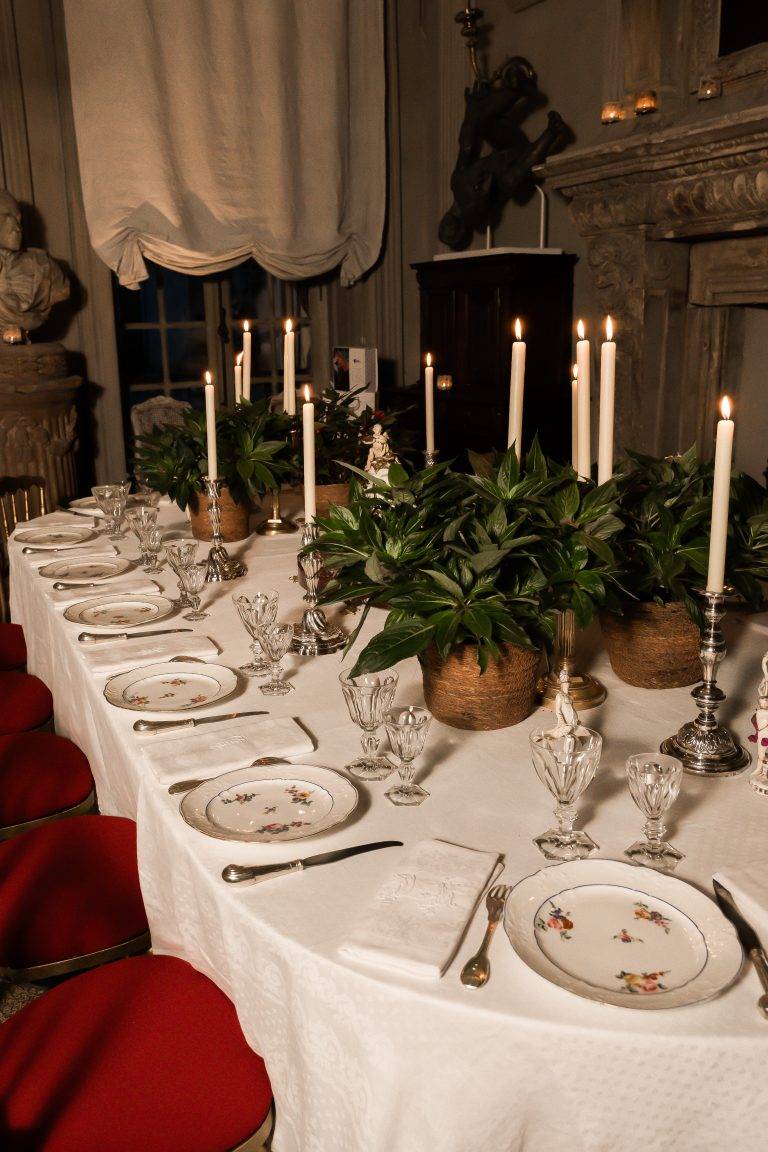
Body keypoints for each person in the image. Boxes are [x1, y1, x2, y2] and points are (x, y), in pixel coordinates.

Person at [0, 191, 69, 340]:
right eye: (5, 218)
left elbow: (61, 292)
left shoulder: (44, 265)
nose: (17, 227)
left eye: (18, 218)